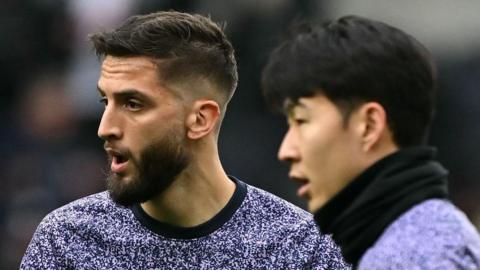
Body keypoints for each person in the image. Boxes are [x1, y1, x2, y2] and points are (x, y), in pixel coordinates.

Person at [21, 11, 349, 269]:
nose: (105, 128)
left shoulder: (299, 248)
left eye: (133, 104)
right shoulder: (67, 240)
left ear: (200, 119)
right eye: (106, 102)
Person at [262, 15, 480, 269]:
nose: (286, 150)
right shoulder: (419, 242)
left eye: (301, 120)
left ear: (369, 126)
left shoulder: (414, 258)